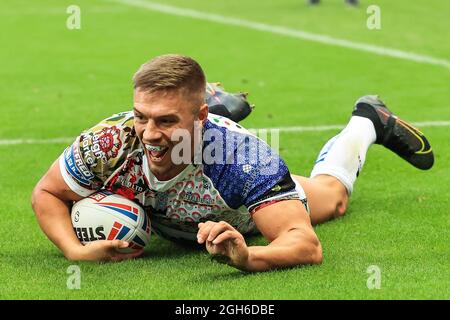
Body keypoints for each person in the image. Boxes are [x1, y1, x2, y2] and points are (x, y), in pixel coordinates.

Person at [31, 54, 433, 272]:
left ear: (198, 117)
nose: (148, 133)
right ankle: (215, 105)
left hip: (236, 203)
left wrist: (247, 257)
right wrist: (73, 250)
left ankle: (367, 120)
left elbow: (305, 246)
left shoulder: (243, 159)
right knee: (163, 138)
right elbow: (47, 192)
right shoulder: (110, 140)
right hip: (197, 159)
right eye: (141, 115)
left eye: (166, 120)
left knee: (332, 197)